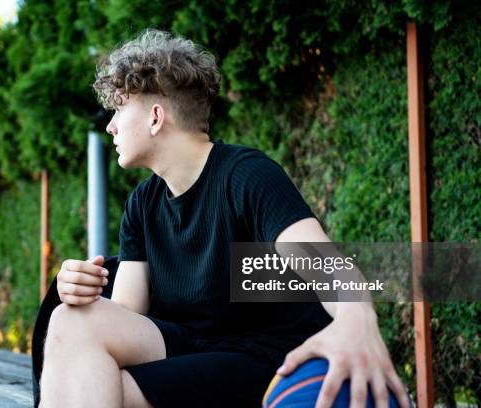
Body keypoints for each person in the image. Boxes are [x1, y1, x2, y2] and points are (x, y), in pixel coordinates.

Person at [38, 28, 410, 408]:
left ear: (155, 117)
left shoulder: (246, 175)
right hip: (190, 351)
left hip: (262, 359)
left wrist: (355, 319)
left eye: (119, 109)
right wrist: (75, 288)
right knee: (72, 320)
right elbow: (126, 319)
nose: (110, 126)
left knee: (101, 388)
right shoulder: (142, 204)